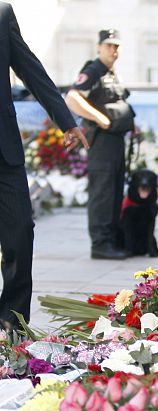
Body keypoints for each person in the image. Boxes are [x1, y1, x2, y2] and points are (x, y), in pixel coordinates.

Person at [0, 2, 89, 332]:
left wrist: (66, 121)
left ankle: (11, 324)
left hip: (4, 150)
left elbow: (31, 70)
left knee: (20, 234)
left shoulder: (2, 13)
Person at [66, 29, 135, 260]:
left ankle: (111, 240)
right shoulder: (93, 70)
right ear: (99, 47)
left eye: (116, 46)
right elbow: (72, 98)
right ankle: (100, 244)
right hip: (102, 142)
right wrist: (99, 118)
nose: (113, 50)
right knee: (103, 193)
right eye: (108, 45)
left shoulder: (111, 72)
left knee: (114, 191)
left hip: (115, 141)